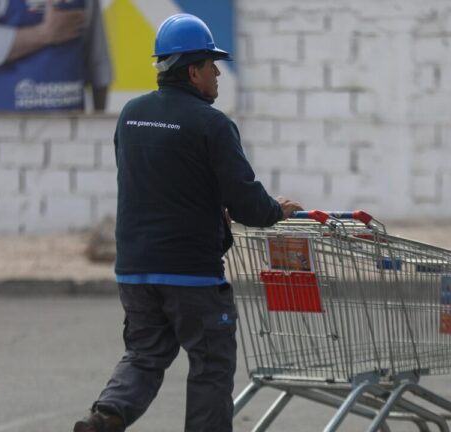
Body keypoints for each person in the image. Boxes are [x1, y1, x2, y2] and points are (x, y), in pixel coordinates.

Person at [73, 13, 303, 432]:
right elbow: (247, 203)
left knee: (144, 355)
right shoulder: (212, 124)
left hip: (135, 270)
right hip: (191, 274)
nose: (218, 73)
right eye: (212, 64)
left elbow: (155, 183)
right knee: (211, 365)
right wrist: (276, 210)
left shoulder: (131, 115)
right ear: (192, 71)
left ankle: (106, 416)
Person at [0, 0, 111, 111]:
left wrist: (98, 128)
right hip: (5, 125)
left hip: (70, 123)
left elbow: (98, 60)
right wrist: (44, 34)